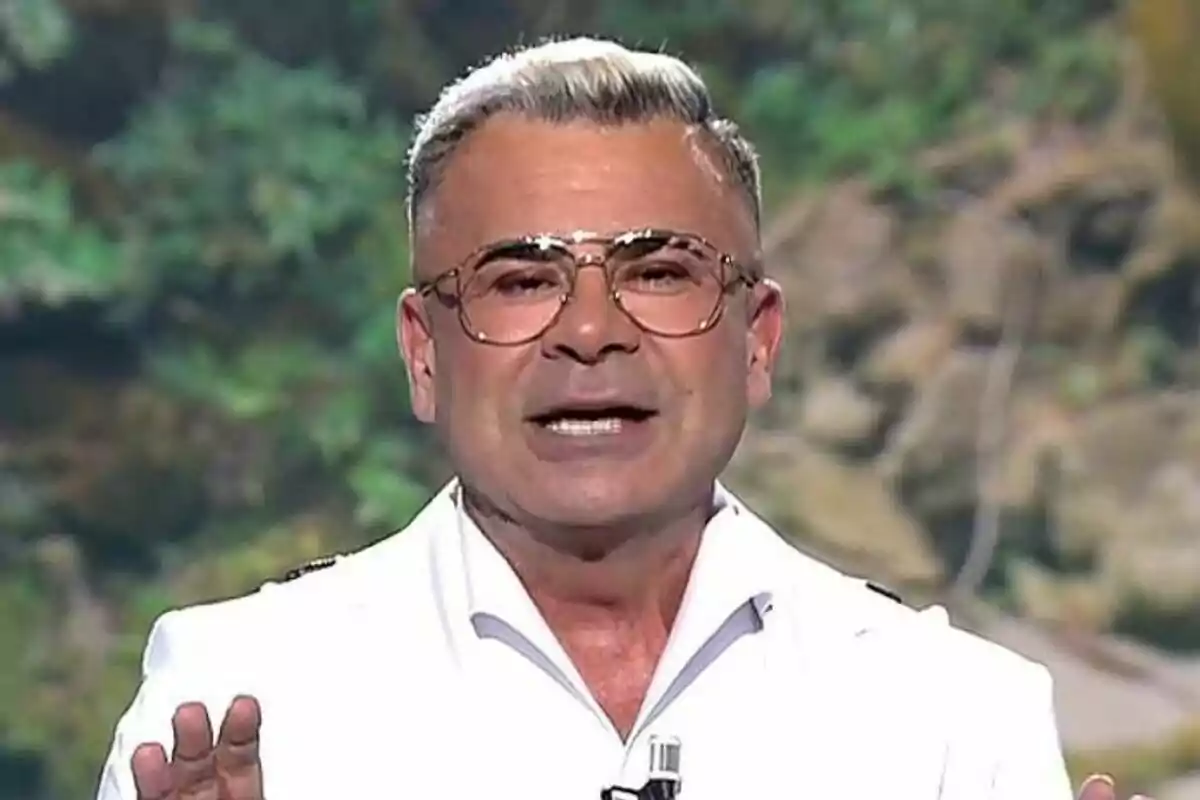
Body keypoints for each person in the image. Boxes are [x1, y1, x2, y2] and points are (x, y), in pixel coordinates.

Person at [94, 37, 1151, 800]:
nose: (590, 331)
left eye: (658, 271)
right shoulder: (243, 696)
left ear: (758, 338)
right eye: (519, 280)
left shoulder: (951, 717)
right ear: (425, 351)